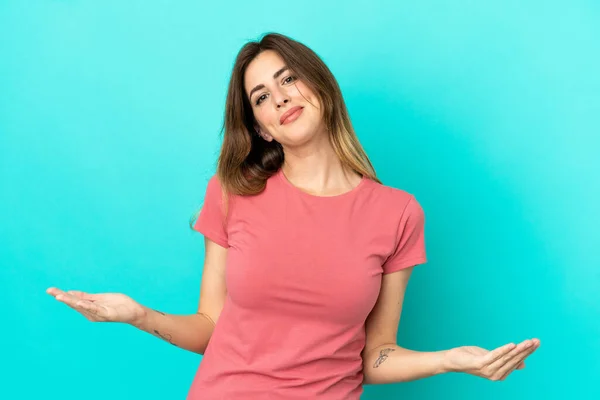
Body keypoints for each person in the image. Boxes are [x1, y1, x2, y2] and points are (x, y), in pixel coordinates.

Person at [47, 32, 540, 399]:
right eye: (261, 96)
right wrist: (136, 315)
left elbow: (375, 355)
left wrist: (450, 360)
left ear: (319, 86)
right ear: (260, 128)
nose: (280, 96)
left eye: (289, 79)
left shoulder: (398, 213)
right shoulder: (231, 193)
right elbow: (210, 328)